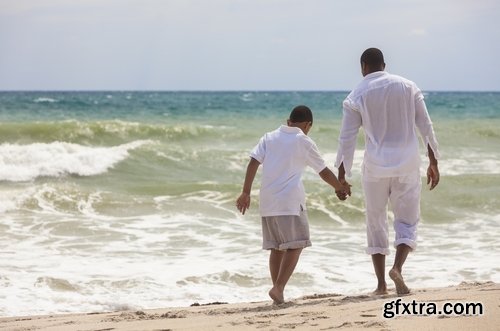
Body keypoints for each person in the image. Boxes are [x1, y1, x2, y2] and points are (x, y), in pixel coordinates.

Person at [335, 48, 440, 295]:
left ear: (363, 67)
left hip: (375, 167)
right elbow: (425, 125)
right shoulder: (408, 86)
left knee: (376, 221)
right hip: (407, 163)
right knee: (407, 220)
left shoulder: (356, 95)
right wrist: (433, 160)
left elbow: (346, 139)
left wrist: (342, 177)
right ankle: (398, 268)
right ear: (384, 64)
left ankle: (381, 285)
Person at [236, 105, 349, 304]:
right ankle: (278, 288)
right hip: (289, 203)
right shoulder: (303, 141)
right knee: (297, 244)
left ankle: (277, 293)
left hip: (268, 203)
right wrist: (339, 187)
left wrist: (246, 192)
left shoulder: (268, 137)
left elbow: (253, 162)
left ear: (288, 121)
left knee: (276, 248)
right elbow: (322, 171)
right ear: (308, 125)